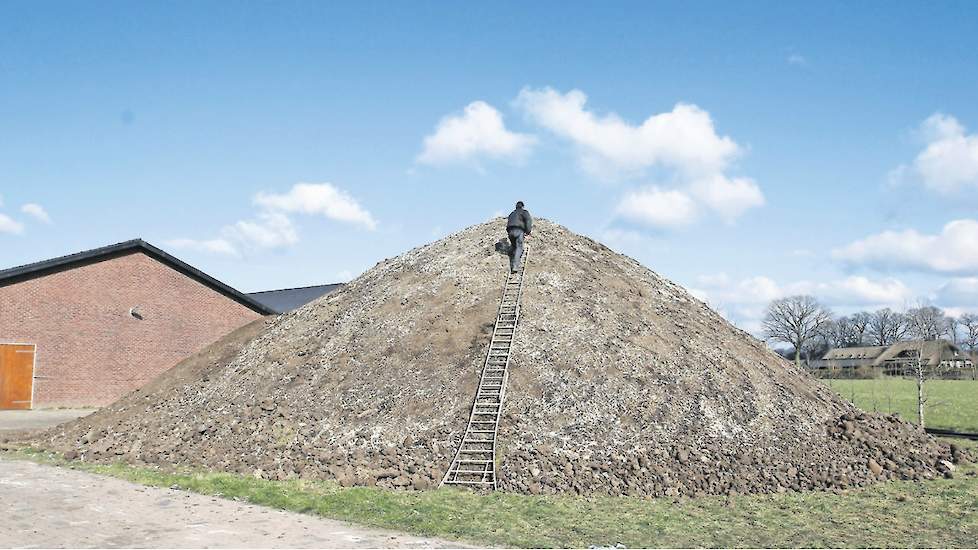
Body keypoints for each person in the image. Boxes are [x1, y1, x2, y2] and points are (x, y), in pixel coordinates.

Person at [505, 201, 532, 273]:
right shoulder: (524, 212)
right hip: (519, 231)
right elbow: (528, 221)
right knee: (519, 247)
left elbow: (508, 223)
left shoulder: (512, 213)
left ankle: (510, 253)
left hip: (510, 232)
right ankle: (515, 267)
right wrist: (528, 231)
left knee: (514, 246)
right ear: (522, 206)